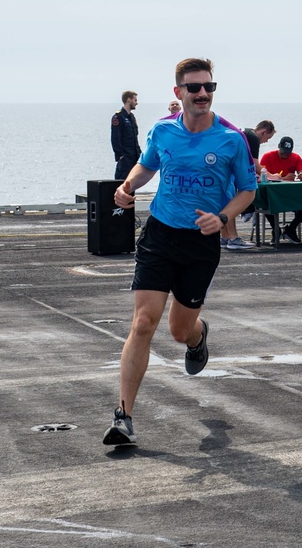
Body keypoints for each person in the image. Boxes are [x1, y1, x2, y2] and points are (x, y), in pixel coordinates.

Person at [103, 58, 257, 446]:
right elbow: (145, 165)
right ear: (179, 93)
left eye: (209, 87)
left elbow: (248, 190)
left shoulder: (231, 138)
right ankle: (124, 417)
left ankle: (197, 336)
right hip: (159, 235)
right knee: (143, 322)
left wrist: (221, 217)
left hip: (200, 243)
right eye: (194, 88)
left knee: (178, 330)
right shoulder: (162, 131)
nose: (203, 93)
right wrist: (127, 187)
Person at [222, 120, 275, 250]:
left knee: (224, 203)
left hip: (222, 168)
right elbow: (256, 165)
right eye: (268, 138)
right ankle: (233, 238)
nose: (266, 141)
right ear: (263, 132)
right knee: (231, 203)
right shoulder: (252, 137)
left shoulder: (244, 131)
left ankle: (225, 237)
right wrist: (272, 176)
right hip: (227, 171)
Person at [259, 136, 302, 244]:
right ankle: (276, 229)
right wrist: (283, 178)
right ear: (279, 147)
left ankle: (291, 228)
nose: (285, 154)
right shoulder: (267, 157)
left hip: (290, 194)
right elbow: (261, 176)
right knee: (265, 202)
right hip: (272, 194)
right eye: (283, 151)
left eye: (288, 152)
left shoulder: (296, 157)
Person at [110, 91, 141, 180]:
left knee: (132, 183)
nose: (137, 103)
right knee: (121, 182)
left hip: (134, 156)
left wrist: (139, 154)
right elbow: (115, 138)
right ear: (128, 100)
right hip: (125, 158)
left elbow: (135, 138)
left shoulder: (132, 117)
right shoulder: (118, 117)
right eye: (135, 100)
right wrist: (120, 155)